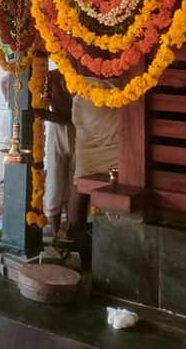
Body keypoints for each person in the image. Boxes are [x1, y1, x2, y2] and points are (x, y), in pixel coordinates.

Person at [68, 77, 119, 255]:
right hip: (99, 94)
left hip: (100, 96)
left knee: (80, 181)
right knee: (83, 180)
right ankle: (79, 239)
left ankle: (75, 240)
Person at [38, 69, 75, 238]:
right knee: (54, 179)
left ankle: (71, 231)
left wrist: (56, 117)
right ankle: (55, 235)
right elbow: (39, 108)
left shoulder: (80, 74)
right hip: (58, 131)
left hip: (80, 130)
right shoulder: (50, 76)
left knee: (75, 181)